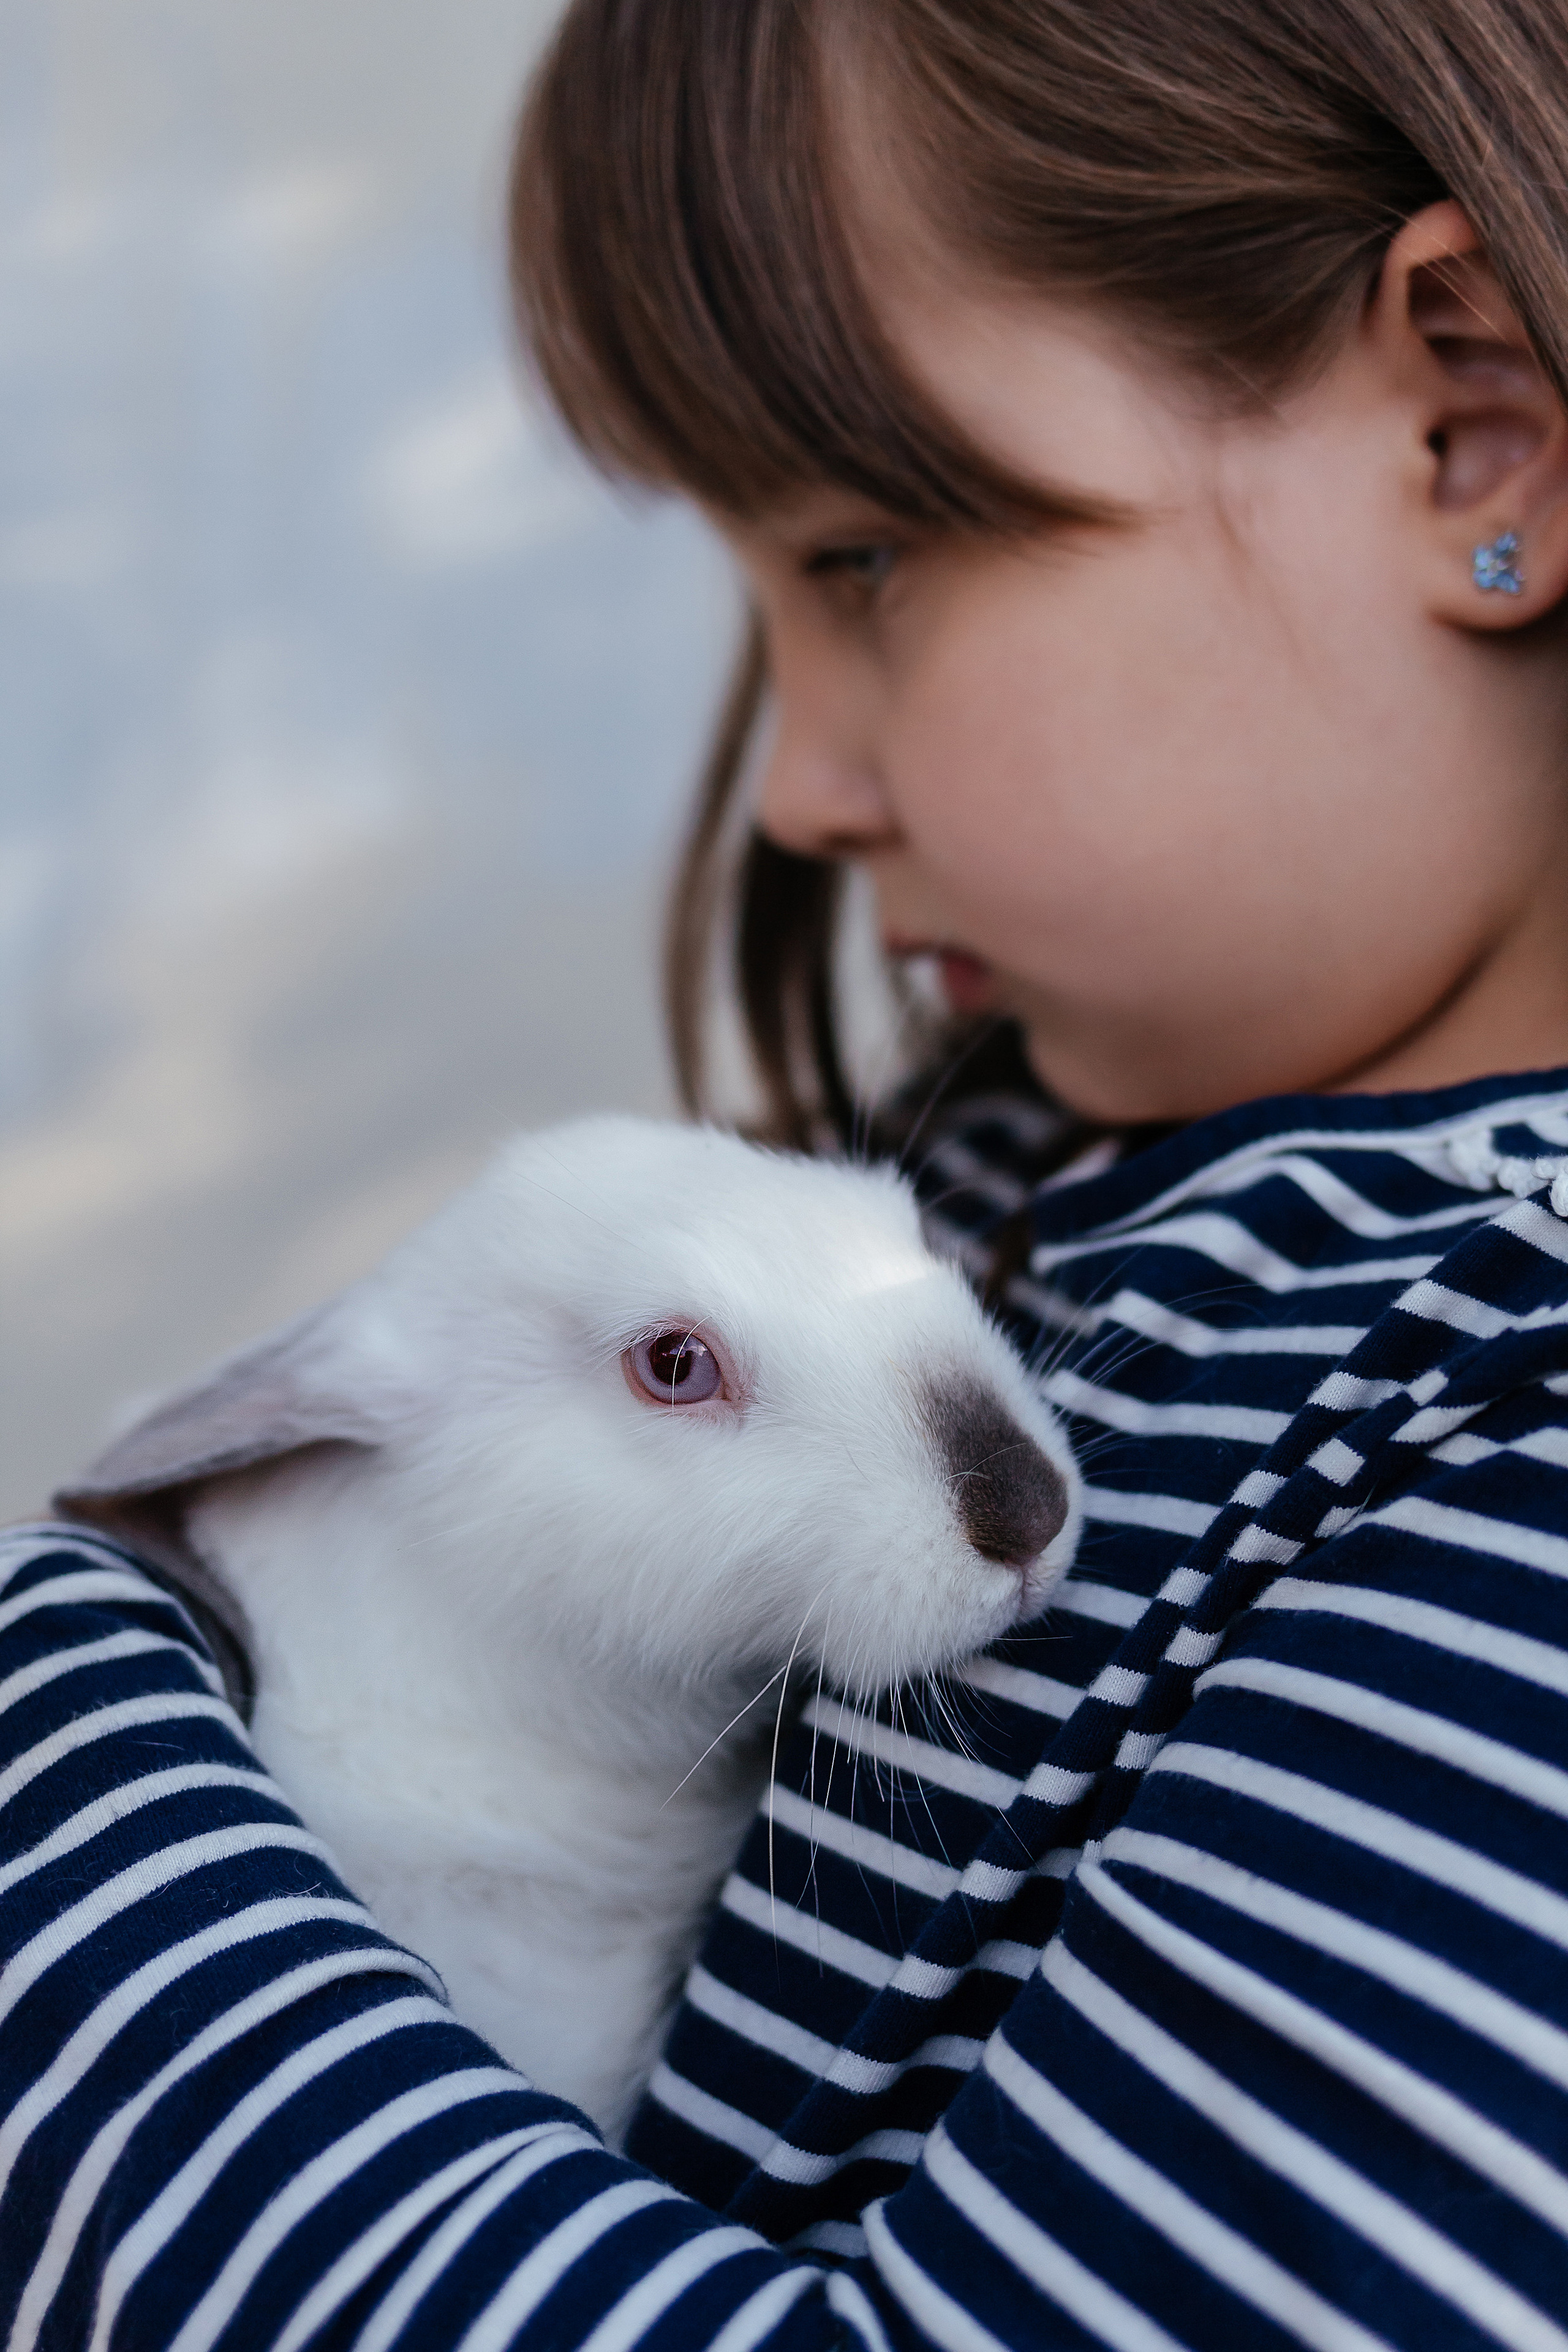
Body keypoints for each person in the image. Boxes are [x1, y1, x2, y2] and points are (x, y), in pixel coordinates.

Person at [7, 0, 1568, 2343]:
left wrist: (50, 1754)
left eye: (856, 560)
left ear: (1473, 435)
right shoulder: (1059, 1153)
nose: (793, 796)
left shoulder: (1514, 1450)